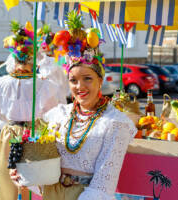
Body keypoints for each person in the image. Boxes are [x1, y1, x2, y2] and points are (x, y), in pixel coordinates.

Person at [10, 11, 137, 200]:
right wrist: (26, 174)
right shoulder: (58, 114)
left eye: (87, 79)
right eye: (73, 80)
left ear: (100, 81)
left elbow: (104, 183)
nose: (80, 87)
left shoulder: (115, 123)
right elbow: (44, 165)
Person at [0, 21, 66, 200]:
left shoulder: (0, 84)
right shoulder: (45, 85)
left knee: (9, 179)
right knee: (35, 180)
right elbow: (53, 113)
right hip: (35, 134)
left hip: (10, 132)